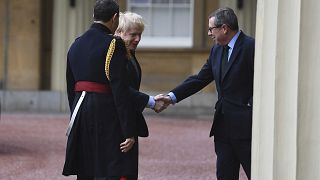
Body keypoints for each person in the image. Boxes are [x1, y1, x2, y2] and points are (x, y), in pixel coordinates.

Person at [62, 1, 164, 179]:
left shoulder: (76, 44)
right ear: (115, 18)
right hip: (108, 116)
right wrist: (128, 131)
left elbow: (71, 87)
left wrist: (75, 116)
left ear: (94, 16)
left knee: (87, 169)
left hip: (81, 114)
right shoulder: (114, 44)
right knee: (112, 170)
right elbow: (119, 89)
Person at [157, 7, 254, 180]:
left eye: (211, 29)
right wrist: (171, 97)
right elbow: (199, 79)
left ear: (224, 28)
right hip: (222, 127)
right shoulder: (216, 50)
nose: (209, 33)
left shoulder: (251, 47)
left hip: (247, 129)